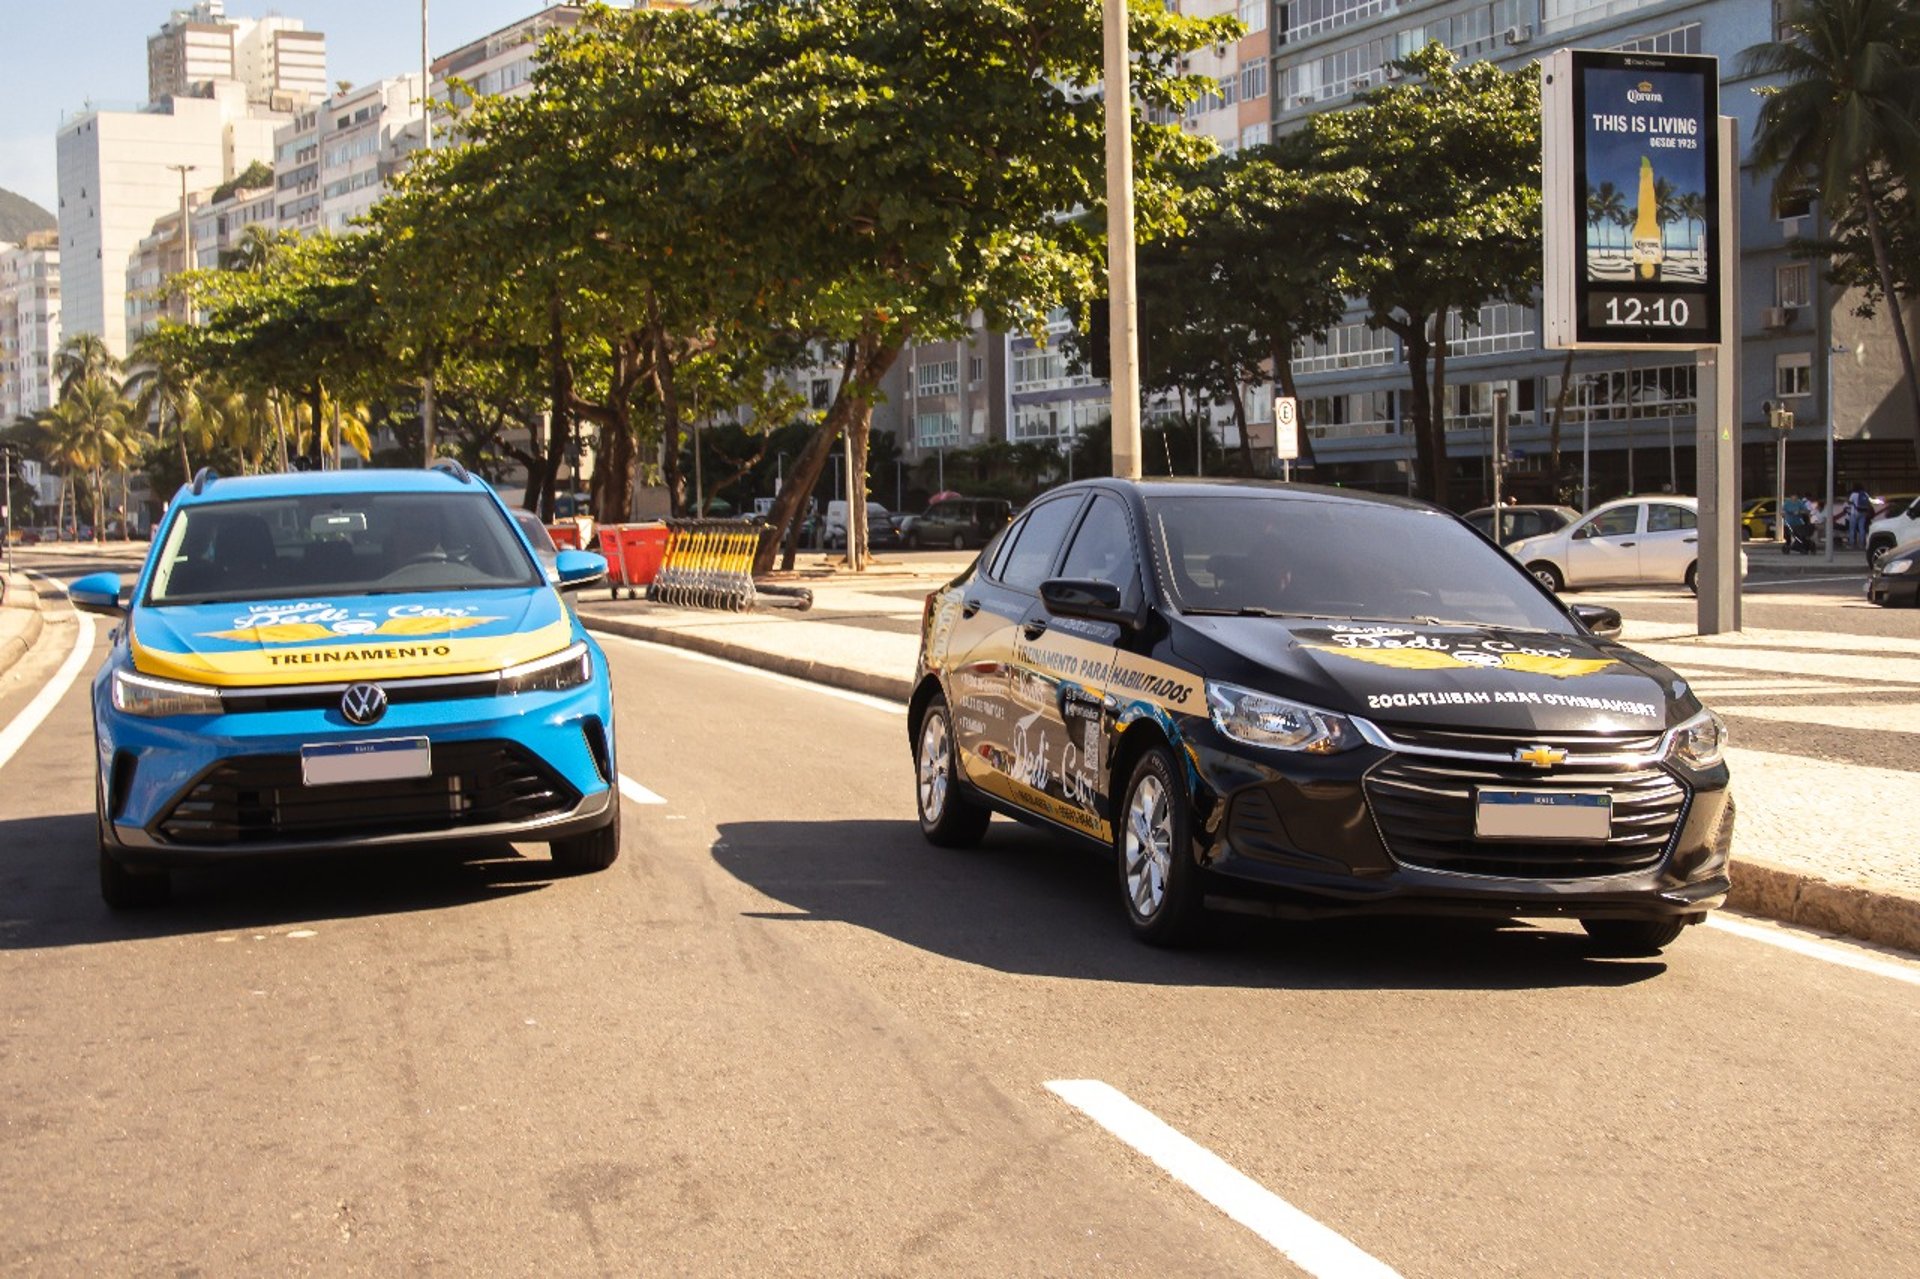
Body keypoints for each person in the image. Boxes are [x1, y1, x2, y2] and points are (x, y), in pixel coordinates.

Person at [1848, 484, 1875, 549]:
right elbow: (1869, 502)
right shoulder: (1865, 494)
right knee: (1861, 528)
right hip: (1863, 513)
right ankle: (1861, 544)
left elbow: (1849, 502)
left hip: (1854, 513)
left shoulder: (1853, 494)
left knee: (1852, 529)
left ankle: (1852, 544)